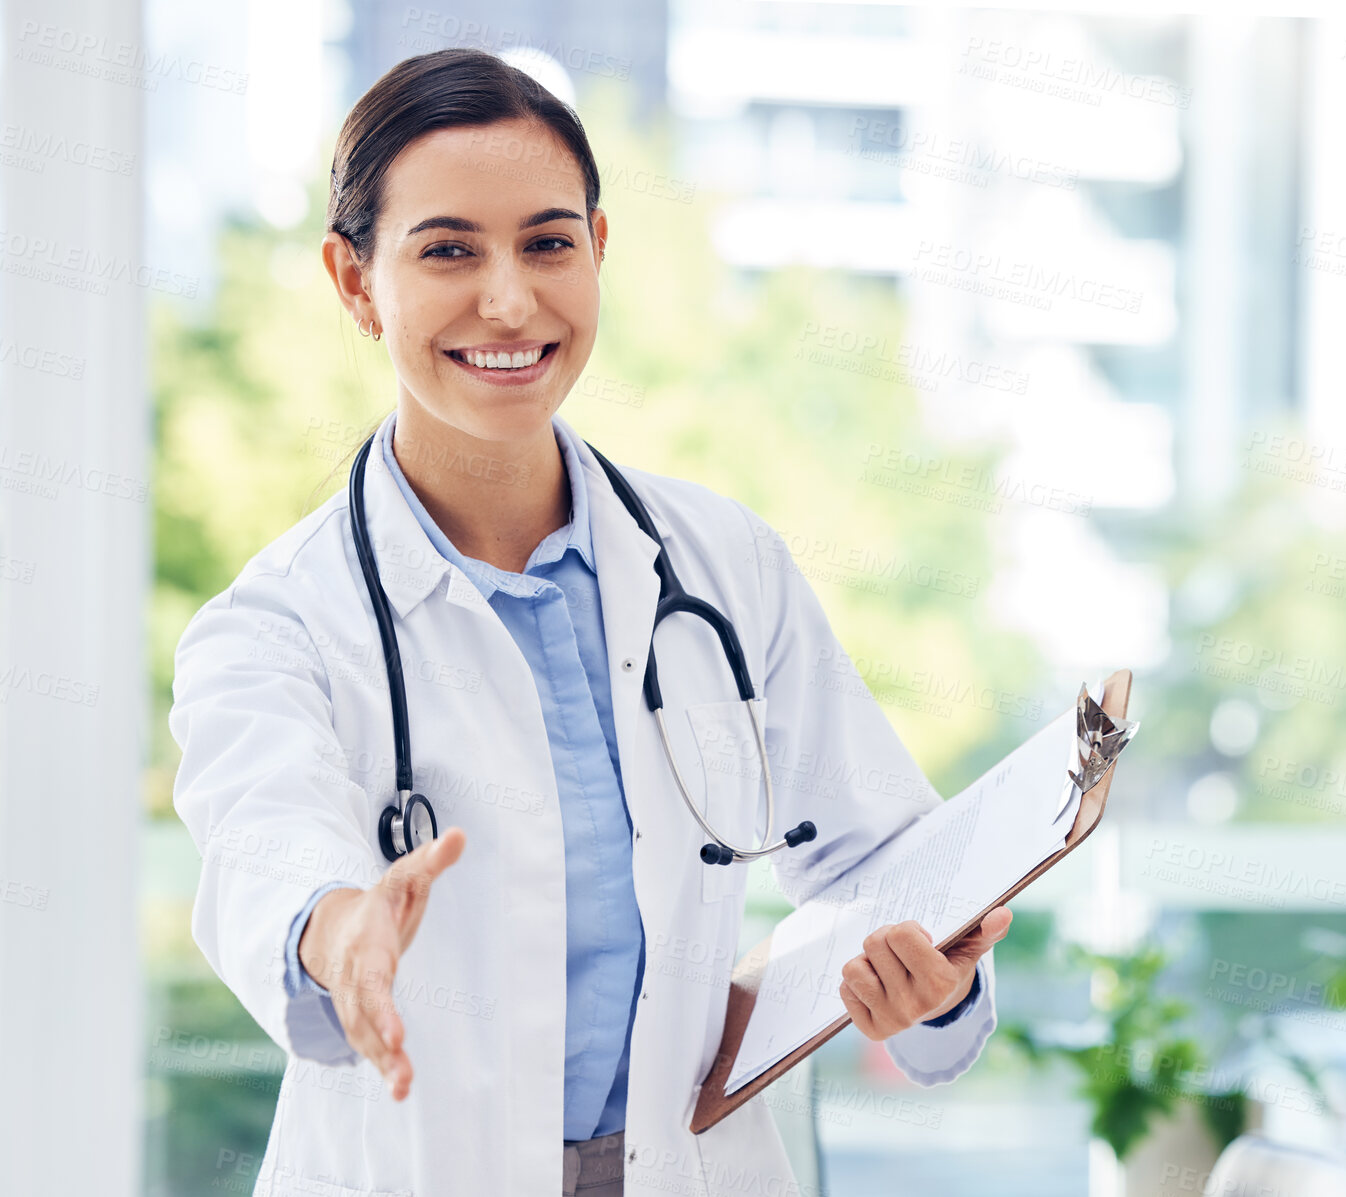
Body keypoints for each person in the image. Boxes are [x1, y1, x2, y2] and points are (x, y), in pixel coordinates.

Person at [169, 47, 1010, 1197]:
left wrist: (935, 980)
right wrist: (340, 938)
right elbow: (268, 852)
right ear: (355, 281)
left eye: (548, 243)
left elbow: (881, 862)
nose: (509, 300)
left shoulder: (726, 570)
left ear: (599, 253)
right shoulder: (272, 628)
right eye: (449, 249)